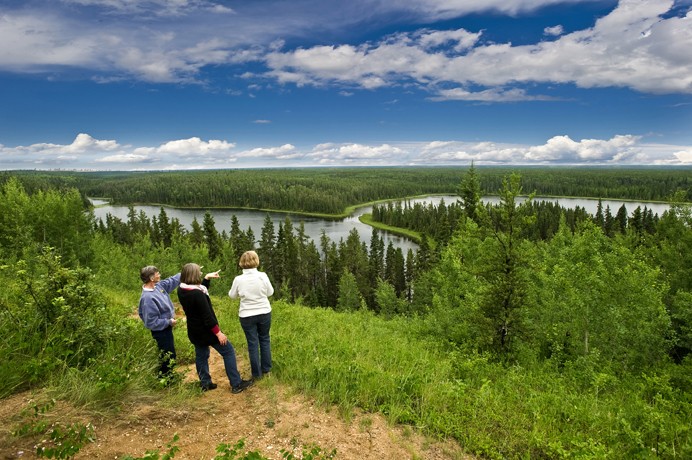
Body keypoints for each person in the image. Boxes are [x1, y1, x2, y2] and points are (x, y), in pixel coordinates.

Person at [177, 263, 254, 394]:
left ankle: (205, 383)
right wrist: (218, 333)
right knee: (228, 351)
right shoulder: (198, 294)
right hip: (207, 331)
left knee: (201, 356)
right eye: (199, 273)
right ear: (193, 275)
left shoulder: (182, 290)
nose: (200, 274)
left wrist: (207, 279)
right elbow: (207, 316)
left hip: (194, 331)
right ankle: (236, 384)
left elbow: (198, 294)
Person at [229, 250, 274, 380]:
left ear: (242, 263)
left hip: (246, 314)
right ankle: (267, 370)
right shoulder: (263, 276)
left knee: (252, 343)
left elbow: (232, 296)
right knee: (264, 339)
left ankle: (256, 374)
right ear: (256, 261)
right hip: (264, 311)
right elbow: (270, 292)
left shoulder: (238, 279)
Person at [138, 265, 180, 380]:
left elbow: (171, 281)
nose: (159, 275)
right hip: (160, 331)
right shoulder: (147, 298)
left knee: (168, 354)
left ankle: (166, 378)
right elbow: (151, 322)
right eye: (157, 273)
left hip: (165, 328)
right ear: (152, 278)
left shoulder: (158, 286)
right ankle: (165, 380)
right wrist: (168, 322)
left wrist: (185, 272)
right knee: (168, 356)